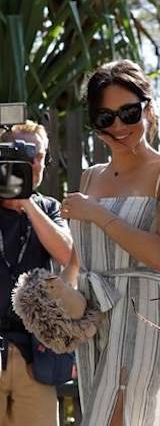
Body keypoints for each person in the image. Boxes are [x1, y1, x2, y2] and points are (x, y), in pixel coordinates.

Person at [60, 59, 160, 426]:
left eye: (128, 112)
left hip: (142, 311)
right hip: (93, 316)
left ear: (148, 109)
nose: (118, 126)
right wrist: (61, 295)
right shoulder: (91, 177)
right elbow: (80, 255)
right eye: (106, 118)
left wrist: (96, 214)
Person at [0, 121, 72, 426]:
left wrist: (27, 200)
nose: (30, 163)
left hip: (35, 353)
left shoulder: (48, 207)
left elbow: (67, 254)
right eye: (20, 153)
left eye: (37, 155)